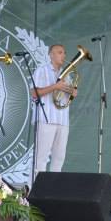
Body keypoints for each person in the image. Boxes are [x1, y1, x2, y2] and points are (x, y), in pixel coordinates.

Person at [30, 44, 76, 176]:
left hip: (62, 120)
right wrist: (55, 86)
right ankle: (36, 186)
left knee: (59, 158)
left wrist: (73, 92)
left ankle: (54, 186)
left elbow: (67, 97)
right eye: (60, 52)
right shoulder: (41, 71)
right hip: (46, 119)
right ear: (51, 54)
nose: (64, 55)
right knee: (41, 158)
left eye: (64, 53)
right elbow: (34, 93)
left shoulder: (67, 75)